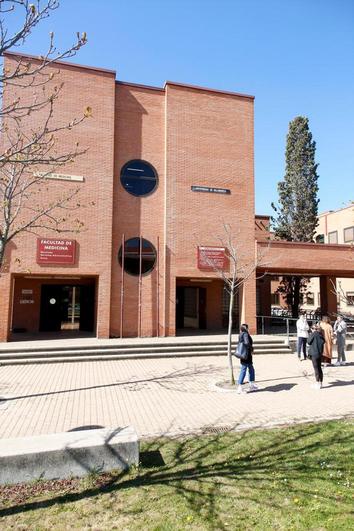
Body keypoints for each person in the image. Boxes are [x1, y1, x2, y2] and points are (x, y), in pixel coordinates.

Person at [236, 323, 257, 394]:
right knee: (244, 369)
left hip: (244, 354)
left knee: (251, 368)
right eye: (248, 328)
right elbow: (247, 343)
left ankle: (252, 385)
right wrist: (252, 349)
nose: (248, 329)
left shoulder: (241, 334)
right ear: (246, 328)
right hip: (246, 355)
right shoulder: (245, 334)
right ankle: (239, 387)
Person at [307, 324, 325, 389]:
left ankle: (317, 383)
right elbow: (323, 341)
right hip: (320, 353)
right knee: (319, 368)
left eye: (312, 328)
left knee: (316, 368)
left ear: (314, 329)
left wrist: (311, 334)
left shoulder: (313, 334)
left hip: (314, 353)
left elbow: (308, 342)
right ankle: (321, 382)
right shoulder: (321, 334)